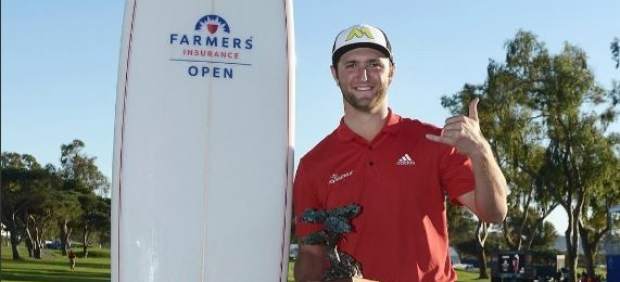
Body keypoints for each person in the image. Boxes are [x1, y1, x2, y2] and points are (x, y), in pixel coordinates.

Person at [293, 24, 508, 282]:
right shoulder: (313, 164)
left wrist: (481, 150)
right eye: (351, 65)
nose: (363, 75)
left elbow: (494, 212)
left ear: (391, 71)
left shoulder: (434, 141)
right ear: (334, 74)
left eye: (374, 64)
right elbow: (311, 254)